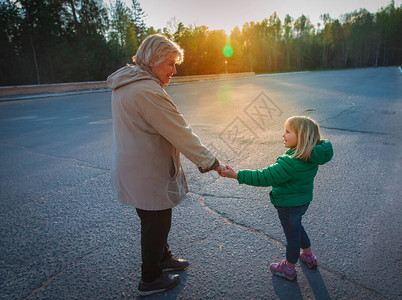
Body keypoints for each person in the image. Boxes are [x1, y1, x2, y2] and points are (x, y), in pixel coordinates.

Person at [107, 34, 225, 296]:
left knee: (152, 218)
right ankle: (150, 279)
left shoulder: (128, 83)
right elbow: (179, 132)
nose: (174, 70)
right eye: (170, 63)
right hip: (148, 170)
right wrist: (211, 162)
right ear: (154, 59)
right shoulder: (147, 91)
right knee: (156, 222)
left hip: (134, 166)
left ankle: (163, 257)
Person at [219, 116, 333, 281]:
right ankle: (308, 255)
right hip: (303, 201)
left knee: (292, 237)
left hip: (289, 205)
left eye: (287, 131)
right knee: (297, 227)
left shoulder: (290, 162)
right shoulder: (311, 156)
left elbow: (264, 177)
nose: (283, 135)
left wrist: (236, 175)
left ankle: (289, 268)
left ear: (301, 137)